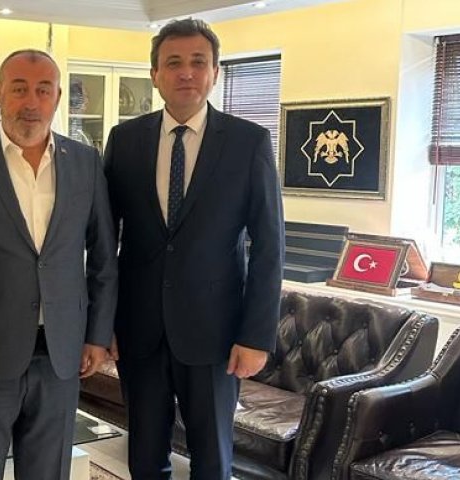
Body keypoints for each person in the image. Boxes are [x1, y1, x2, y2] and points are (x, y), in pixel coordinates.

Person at [103, 19, 285, 480]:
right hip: (138, 330)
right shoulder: (125, 140)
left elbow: (269, 245)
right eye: (174, 63)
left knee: (212, 458)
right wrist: (103, 323)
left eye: (198, 62)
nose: (186, 72)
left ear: (215, 72)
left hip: (216, 335)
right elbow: (105, 239)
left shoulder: (248, 142)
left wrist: (256, 336)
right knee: (144, 454)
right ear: (155, 74)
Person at [0, 49, 118, 480]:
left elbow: (104, 257)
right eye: (19, 89)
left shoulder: (85, 162)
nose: (31, 102)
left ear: (57, 97)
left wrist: (97, 334)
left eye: (43, 90)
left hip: (61, 355)